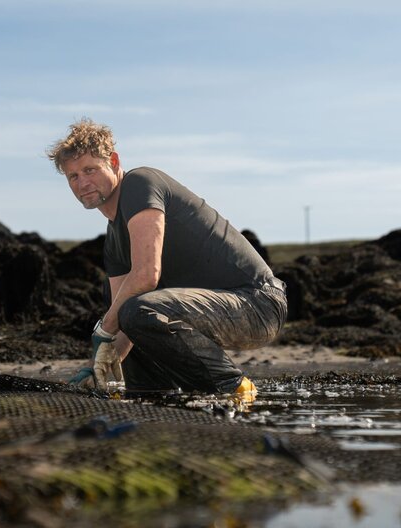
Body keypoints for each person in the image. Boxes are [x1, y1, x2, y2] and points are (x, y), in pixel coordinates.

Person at [47, 119, 287, 395]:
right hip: (210, 309)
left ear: (113, 161)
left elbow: (146, 276)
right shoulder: (114, 240)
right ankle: (154, 393)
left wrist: (102, 333)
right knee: (120, 301)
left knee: (134, 308)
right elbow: (121, 322)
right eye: (73, 176)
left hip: (258, 304)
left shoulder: (139, 183)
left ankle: (234, 388)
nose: (83, 183)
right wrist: (97, 365)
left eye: (90, 170)